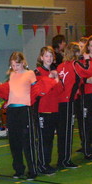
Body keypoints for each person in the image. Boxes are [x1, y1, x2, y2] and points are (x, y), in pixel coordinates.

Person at [0, 52, 43, 179]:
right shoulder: (12, 75)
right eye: (12, 65)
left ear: (23, 63)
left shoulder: (29, 73)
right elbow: (12, 92)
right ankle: (19, 169)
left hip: (24, 110)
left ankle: (33, 170)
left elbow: (36, 90)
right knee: (14, 141)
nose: (15, 68)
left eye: (17, 65)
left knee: (27, 141)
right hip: (12, 110)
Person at [56, 44, 90, 169]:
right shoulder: (75, 64)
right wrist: (87, 59)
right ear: (75, 53)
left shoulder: (60, 66)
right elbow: (88, 71)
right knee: (67, 131)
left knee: (62, 132)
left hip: (60, 102)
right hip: (68, 102)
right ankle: (65, 160)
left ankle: (62, 158)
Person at [35, 46, 62, 174]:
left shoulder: (55, 72)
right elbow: (39, 90)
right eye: (46, 56)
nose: (49, 58)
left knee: (50, 138)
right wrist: (50, 79)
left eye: (51, 56)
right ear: (41, 58)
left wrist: (57, 79)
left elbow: (60, 90)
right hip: (43, 110)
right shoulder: (38, 72)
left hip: (54, 108)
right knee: (43, 139)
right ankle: (41, 164)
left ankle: (47, 163)